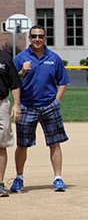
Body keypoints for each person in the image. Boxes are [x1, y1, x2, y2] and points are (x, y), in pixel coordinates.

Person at [11, 25, 70, 192]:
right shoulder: (20, 58)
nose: (37, 39)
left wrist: (57, 101)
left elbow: (63, 81)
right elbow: (13, 84)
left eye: (40, 36)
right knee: (22, 145)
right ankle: (19, 177)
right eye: (34, 36)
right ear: (29, 38)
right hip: (27, 106)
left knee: (55, 143)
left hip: (49, 106)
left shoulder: (54, 58)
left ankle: (58, 178)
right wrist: (22, 72)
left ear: (45, 39)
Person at [0, 50, 22, 197]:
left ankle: (0, 184)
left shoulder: (5, 57)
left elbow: (14, 83)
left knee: (1, 144)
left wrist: (17, 104)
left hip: (1, 104)